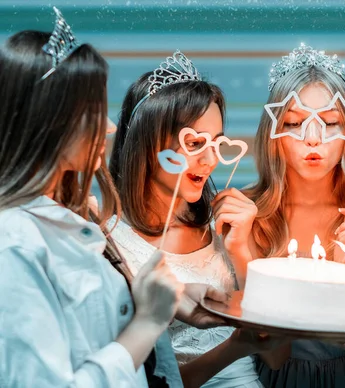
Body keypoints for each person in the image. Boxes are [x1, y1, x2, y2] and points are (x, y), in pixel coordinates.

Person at [0, 13, 192, 387]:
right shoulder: (13, 245)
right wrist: (148, 321)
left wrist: (161, 301)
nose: (110, 127)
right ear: (50, 120)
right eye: (94, 113)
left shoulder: (68, 214)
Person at [109, 51, 279, 387]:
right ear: (150, 142)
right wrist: (232, 349)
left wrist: (243, 252)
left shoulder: (229, 226)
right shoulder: (109, 244)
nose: (210, 160)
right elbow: (134, 378)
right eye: (196, 143)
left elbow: (277, 355)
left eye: (216, 143)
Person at [245, 43, 345, 388]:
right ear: (272, 133)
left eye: (330, 123)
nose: (313, 139)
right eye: (294, 122)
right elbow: (252, 339)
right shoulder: (251, 213)